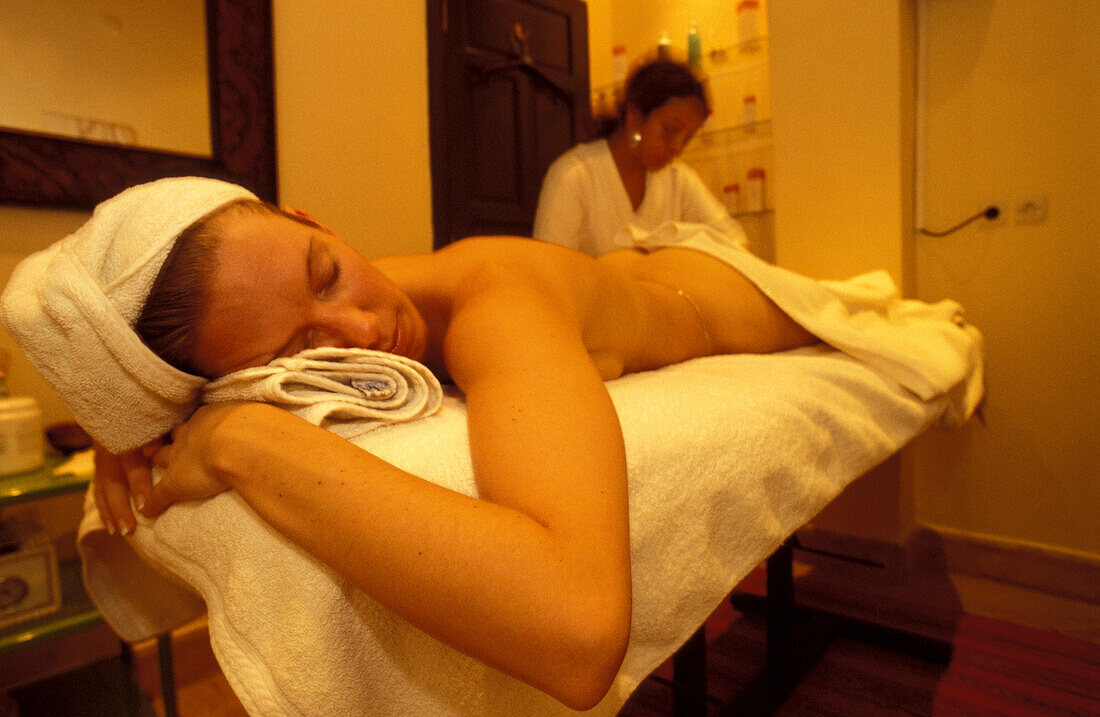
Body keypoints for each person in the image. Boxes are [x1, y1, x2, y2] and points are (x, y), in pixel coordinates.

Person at [2, 177, 813, 710]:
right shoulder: (274, 304)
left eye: (326, 272)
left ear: (311, 218)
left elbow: (580, 629)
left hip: (717, 289)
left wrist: (246, 442)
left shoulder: (499, 307)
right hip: (619, 267)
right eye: (293, 355)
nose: (365, 328)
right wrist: (127, 430)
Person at [532, 59, 747, 256]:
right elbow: (551, 274)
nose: (678, 147)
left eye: (688, 138)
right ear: (634, 114)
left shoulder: (678, 180)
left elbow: (735, 244)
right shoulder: (574, 176)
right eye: (670, 130)